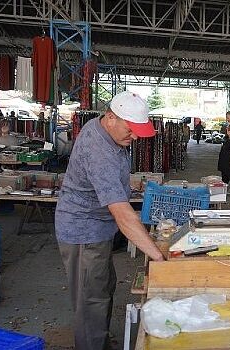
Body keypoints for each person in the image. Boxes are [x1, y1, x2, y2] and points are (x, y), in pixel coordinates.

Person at [55, 91, 165, 350]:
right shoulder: (98, 150)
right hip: (84, 231)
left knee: (102, 287)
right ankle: (92, 343)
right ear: (111, 117)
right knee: (91, 299)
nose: (135, 136)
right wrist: (157, 255)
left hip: (99, 228)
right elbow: (121, 212)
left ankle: (99, 339)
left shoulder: (106, 131)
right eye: (131, 129)